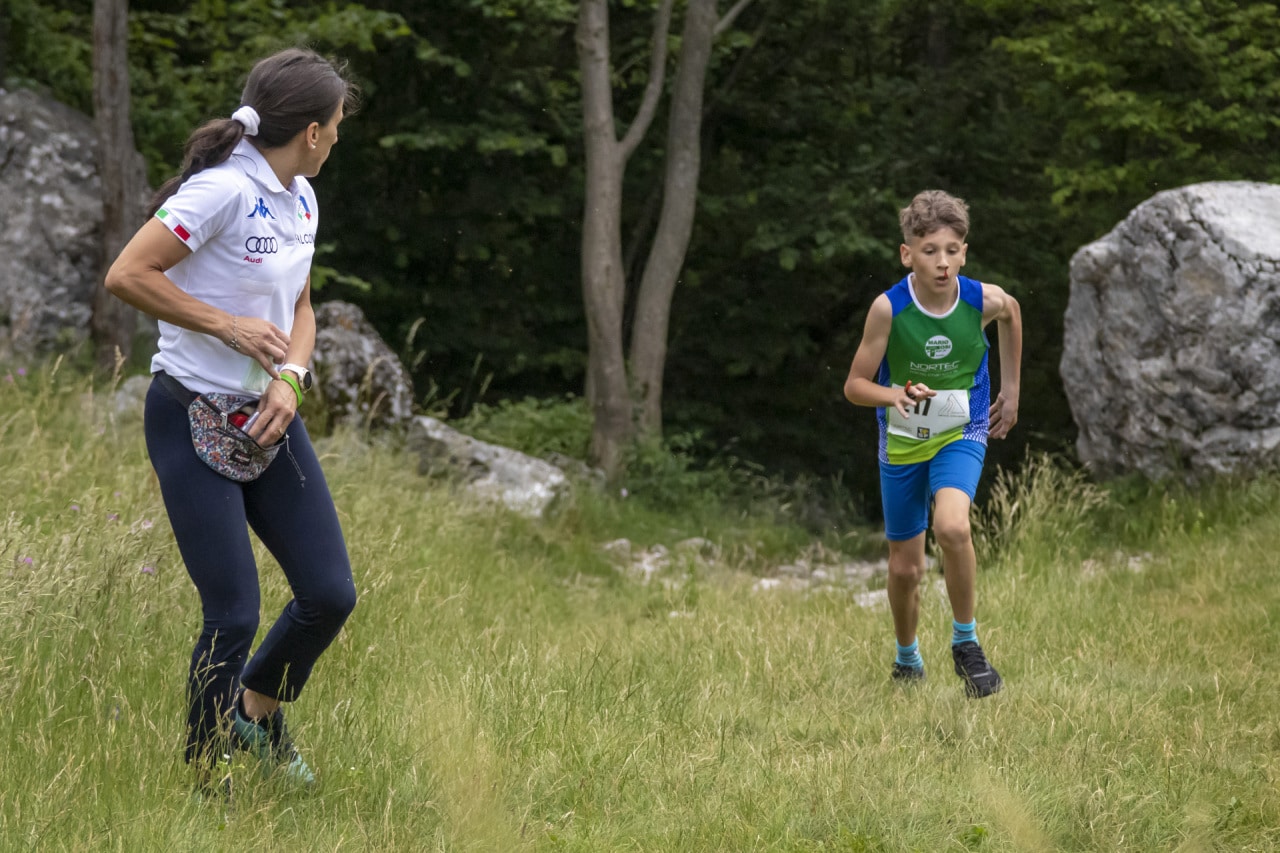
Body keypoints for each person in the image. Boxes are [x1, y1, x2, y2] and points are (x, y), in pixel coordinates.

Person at [105, 47, 360, 788]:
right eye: (336, 125)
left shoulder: (301, 198)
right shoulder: (220, 191)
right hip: (188, 411)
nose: (338, 137)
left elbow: (302, 308)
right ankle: (203, 778)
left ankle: (254, 711)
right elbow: (127, 273)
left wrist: (291, 379)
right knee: (233, 613)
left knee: (329, 594)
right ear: (310, 131)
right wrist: (226, 326)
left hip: (269, 417)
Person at [843, 190, 1021, 698]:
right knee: (906, 568)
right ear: (908, 255)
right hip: (903, 437)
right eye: (929, 251)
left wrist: (1011, 392)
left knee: (952, 526)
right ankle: (907, 659)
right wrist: (894, 394)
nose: (942, 262)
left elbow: (1012, 314)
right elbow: (854, 386)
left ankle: (967, 644)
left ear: (964, 253)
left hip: (961, 429)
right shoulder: (889, 309)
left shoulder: (981, 300)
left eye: (951, 250)